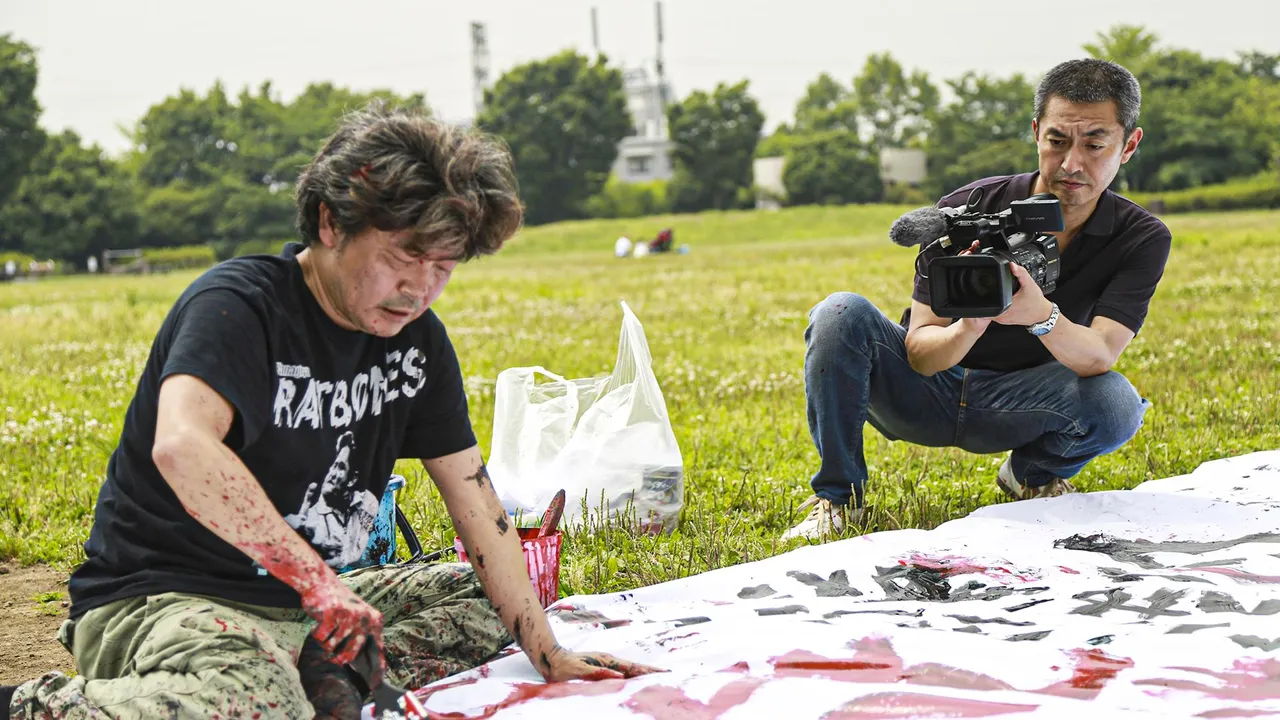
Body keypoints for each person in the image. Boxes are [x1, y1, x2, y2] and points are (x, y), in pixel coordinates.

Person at [2, 102, 660, 720]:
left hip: (303, 607)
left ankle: (319, 678)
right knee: (259, 700)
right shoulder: (240, 305)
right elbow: (182, 446)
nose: (420, 289)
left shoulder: (418, 343)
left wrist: (546, 651)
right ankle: (38, 705)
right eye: (405, 256)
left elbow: (474, 496)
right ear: (329, 224)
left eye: (444, 267)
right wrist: (318, 583)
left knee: (485, 603)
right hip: (165, 597)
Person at [784, 59, 1172, 542]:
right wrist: (968, 325)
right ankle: (838, 499)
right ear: (1036, 132)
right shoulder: (965, 213)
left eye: (1094, 145)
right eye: (1057, 141)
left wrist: (1039, 315)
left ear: (1128, 145)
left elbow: (1100, 354)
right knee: (838, 313)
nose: (1072, 164)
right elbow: (921, 355)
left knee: (1116, 404)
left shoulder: (1140, 236)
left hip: (1026, 400)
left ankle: (1030, 475)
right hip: (927, 389)